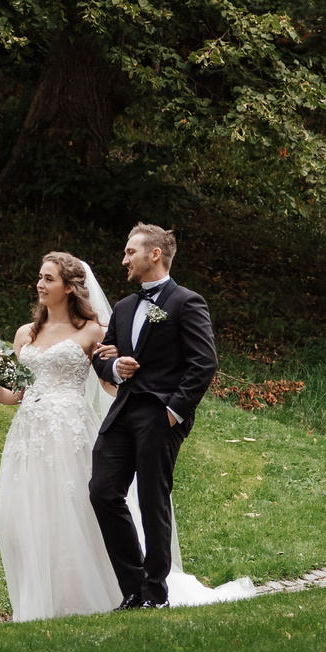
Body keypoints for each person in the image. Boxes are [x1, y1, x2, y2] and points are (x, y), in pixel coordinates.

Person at [0, 252, 126, 621]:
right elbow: (17, 393)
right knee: (19, 513)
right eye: (39, 277)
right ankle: (37, 604)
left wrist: (125, 373)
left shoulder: (93, 331)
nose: (40, 284)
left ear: (69, 287)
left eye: (48, 279)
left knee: (72, 513)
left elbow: (109, 386)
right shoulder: (25, 334)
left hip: (69, 430)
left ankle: (91, 596)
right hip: (28, 434)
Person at [90, 222, 221, 609]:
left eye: (131, 251)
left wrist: (173, 412)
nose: (124, 259)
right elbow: (103, 356)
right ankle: (132, 587)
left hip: (159, 415)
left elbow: (204, 363)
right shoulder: (125, 306)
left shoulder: (186, 302)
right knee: (102, 491)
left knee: (152, 499)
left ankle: (155, 595)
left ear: (155, 254)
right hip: (123, 411)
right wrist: (116, 370)